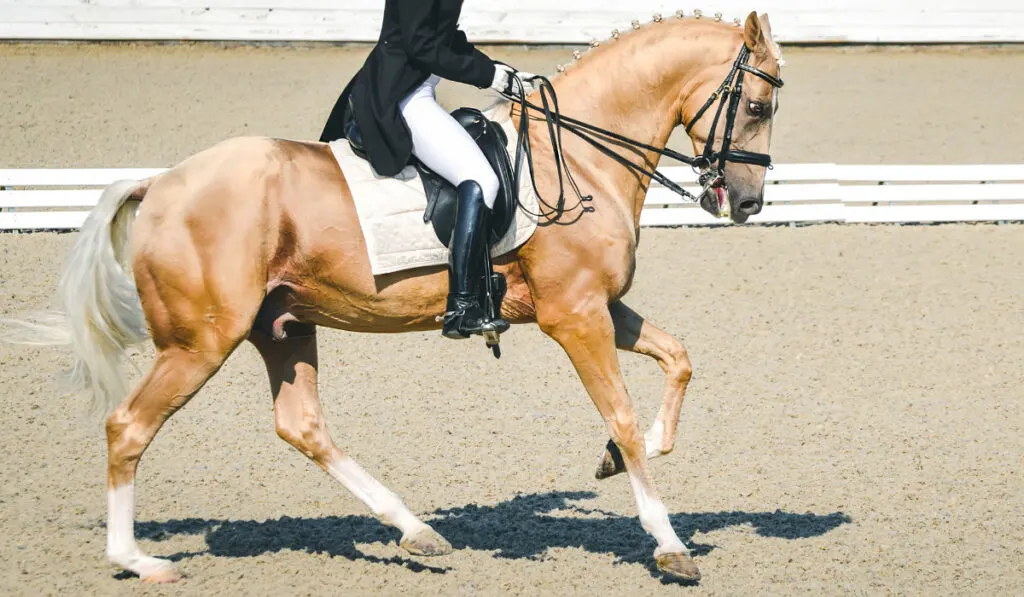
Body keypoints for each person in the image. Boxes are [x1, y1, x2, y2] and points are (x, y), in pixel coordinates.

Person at [320, 0, 533, 340]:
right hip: (401, 96)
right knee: (480, 180)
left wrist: (500, 73)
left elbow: (444, 36)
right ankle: (462, 306)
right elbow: (421, 46)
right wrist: (487, 75)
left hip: (417, 88)